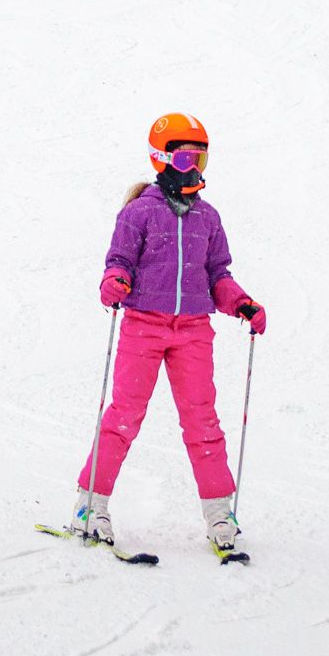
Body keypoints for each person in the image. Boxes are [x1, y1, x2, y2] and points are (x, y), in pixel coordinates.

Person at [72, 113, 265, 558]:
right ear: (162, 160)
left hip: (194, 332)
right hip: (144, 325)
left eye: (200, 157)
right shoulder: (139, 212)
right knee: (123, 417)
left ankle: (220, 513)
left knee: (203, 423)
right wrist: (115, 282)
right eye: (183, 157)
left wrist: (241, 302)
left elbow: (218, 275)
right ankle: (90, 505)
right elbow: (118, 260)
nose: (193, 166)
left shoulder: (208, 218)